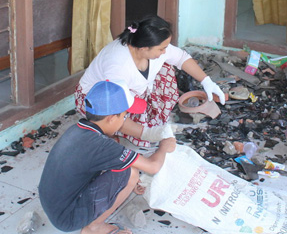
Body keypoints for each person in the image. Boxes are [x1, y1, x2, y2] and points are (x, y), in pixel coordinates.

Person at [39, 80, 176, 234]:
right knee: (130, 173)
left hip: (53, 204)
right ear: (111, 118)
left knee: (124, 166)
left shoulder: (78, 130)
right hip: (67, 218)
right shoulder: (101, 145)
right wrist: (163, 148)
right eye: (124, 117)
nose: (125, 121)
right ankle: (93, 228)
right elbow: (153, 166)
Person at [74, 15, 225, 147]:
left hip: (130, 91)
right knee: (126, 128)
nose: (165, 51)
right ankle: (110, 132)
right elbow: (116, 109)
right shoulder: (118, 66)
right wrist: (147, 133)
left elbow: (181, 57)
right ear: (144, 48)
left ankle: (134, 127)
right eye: (161, 49)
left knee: (166, 66)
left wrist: (207, 81)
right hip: (97, 101)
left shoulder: (145, 46)